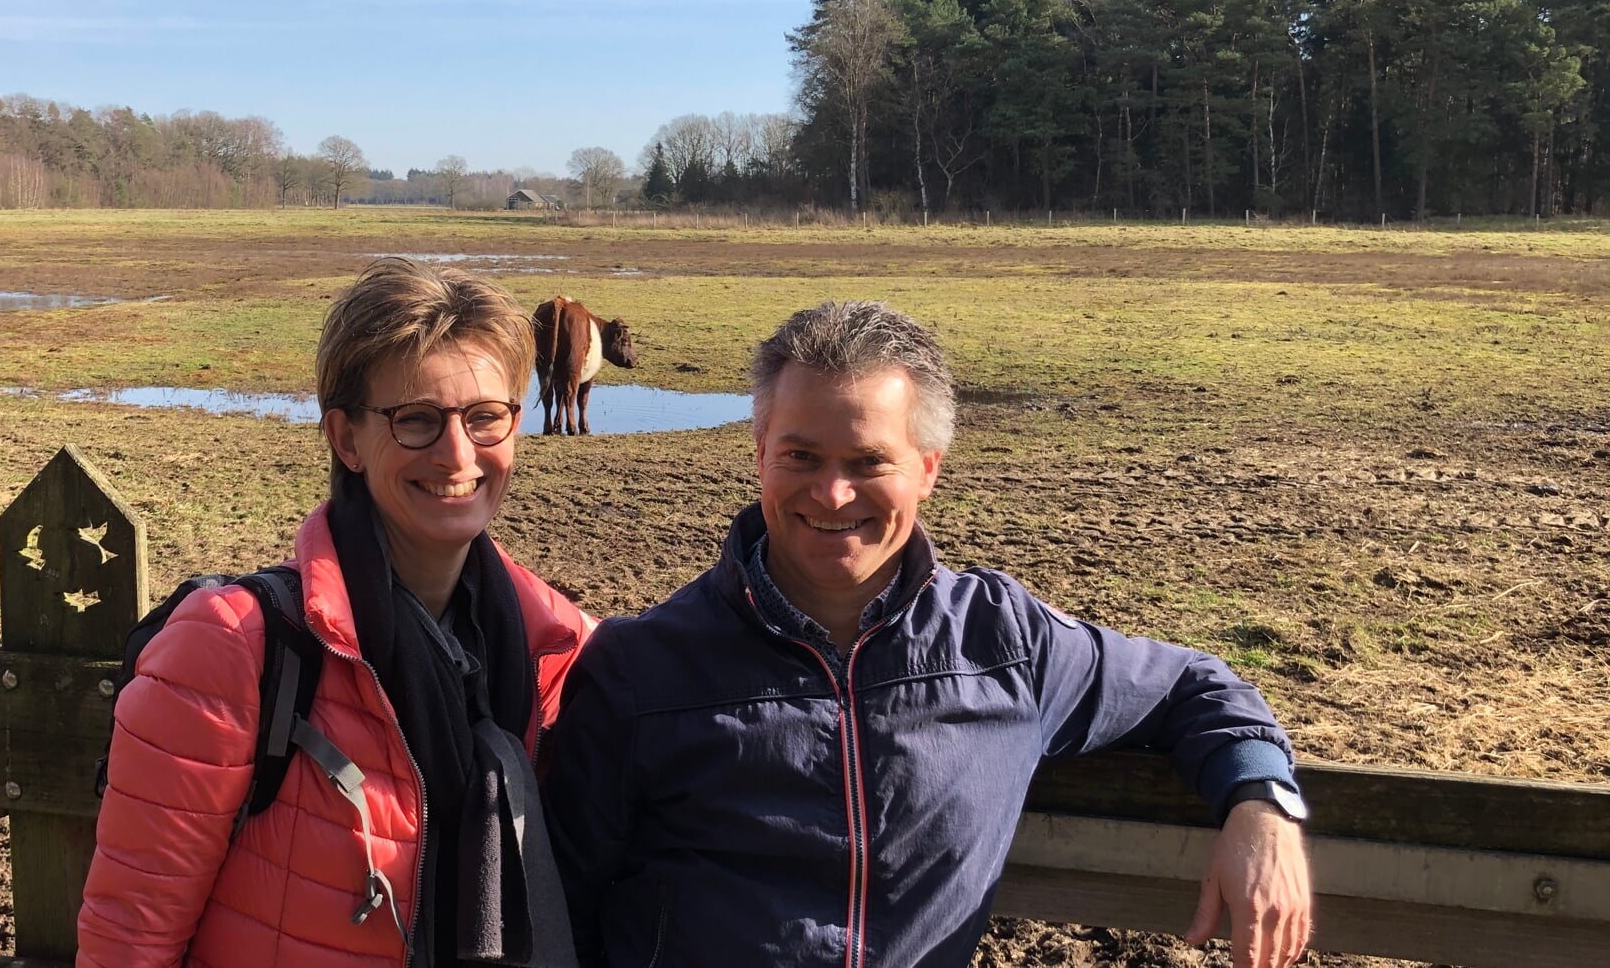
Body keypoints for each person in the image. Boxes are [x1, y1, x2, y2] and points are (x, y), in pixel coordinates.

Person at [544, 300, 1312, 968]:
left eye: (869, 461)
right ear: (760, 457)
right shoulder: (639, 670)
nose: (833, 493)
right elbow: (561, 910)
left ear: (928, 469)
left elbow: (1193, 686)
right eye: (801, 456)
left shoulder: (1003, 644)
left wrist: (1262, 807)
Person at [79, 257, 594, 968]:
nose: (456, 454)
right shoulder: (232, 649)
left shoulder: (558, 652)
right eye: (415, 420)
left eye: (485, 417)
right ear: (346, 439)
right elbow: (127, 943)